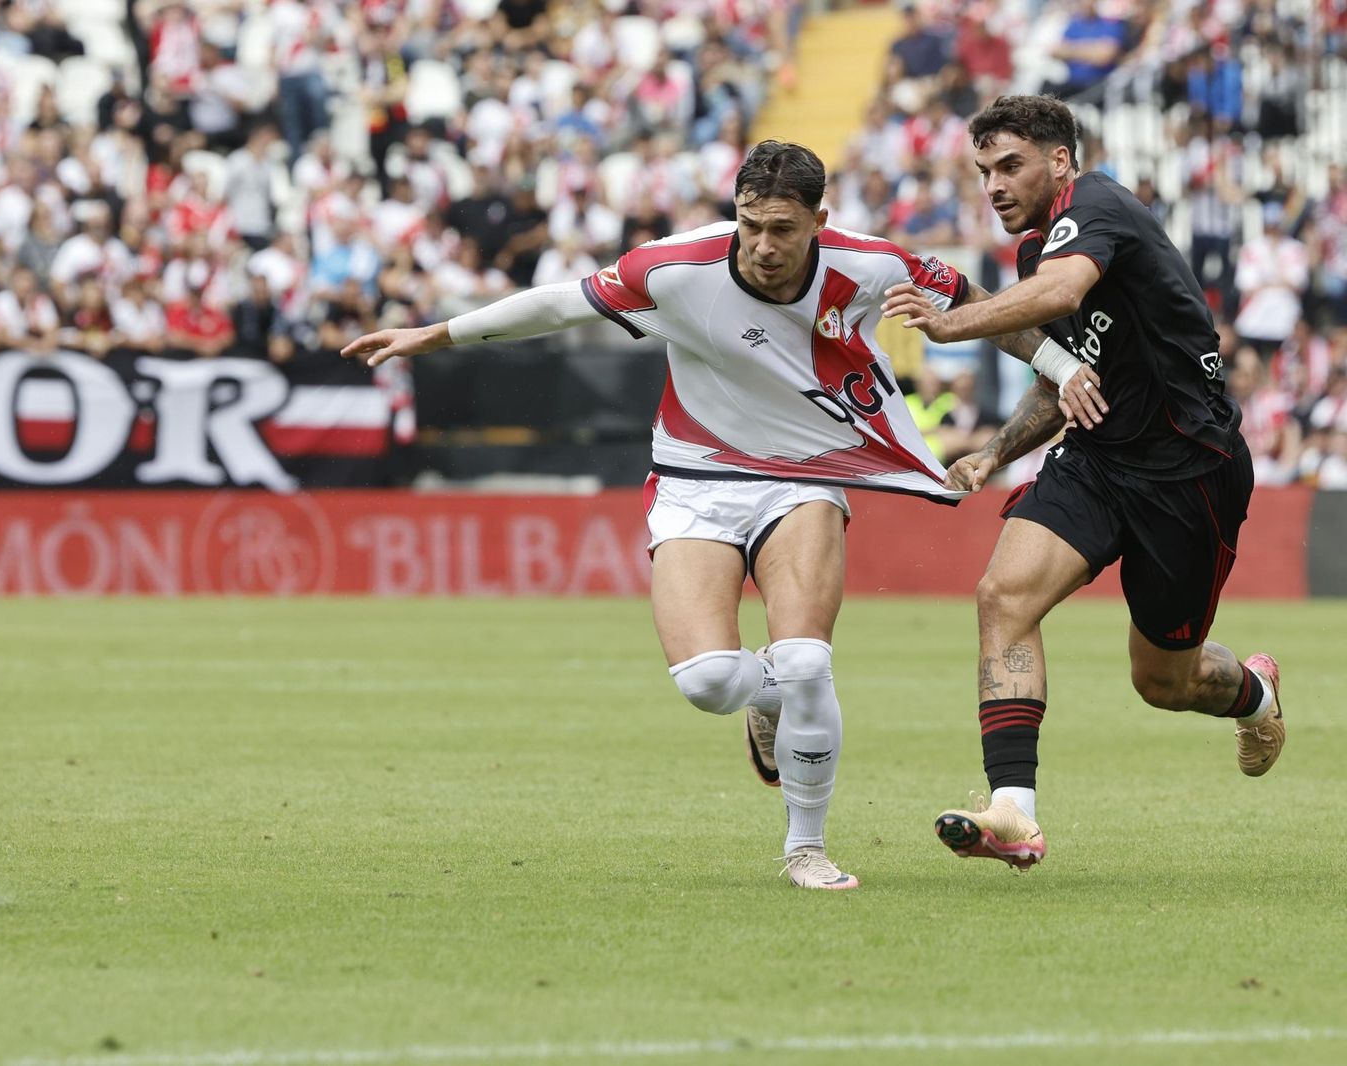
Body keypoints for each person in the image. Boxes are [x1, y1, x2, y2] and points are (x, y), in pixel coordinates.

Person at [343, 141, 1081, 891]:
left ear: (819, 221)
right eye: (750, 225)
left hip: (804, 478)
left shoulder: (872, 264)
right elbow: (558, 304)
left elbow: (988, 309)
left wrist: (1067, 369)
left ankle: (806, 848)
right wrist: (436, 335)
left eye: (783, 229)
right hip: (697, 478)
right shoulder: (672, 268)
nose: (764, 246)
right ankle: (766, 698)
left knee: (806, 662)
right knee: (708, 681)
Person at [881, 95, 1284, 872]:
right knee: (1003, 597)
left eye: (1010, 166)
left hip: (1188, 474)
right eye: (983, 171)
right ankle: (1013, 812)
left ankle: (1256, 695)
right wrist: (994, 453)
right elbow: (1064, 382)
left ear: (1060, 160)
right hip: (1098, 462)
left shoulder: (1097, 207)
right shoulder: (1037, 254)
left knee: (1164, 682)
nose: (994, 186)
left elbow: (1063, 294)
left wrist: (952, 321)